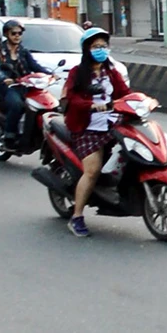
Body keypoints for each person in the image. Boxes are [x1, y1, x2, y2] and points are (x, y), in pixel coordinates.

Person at [62, 28, 131, 238]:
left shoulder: (111, 71)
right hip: (87, 127)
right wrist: (90, 105)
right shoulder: (78, 72)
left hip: (112, 123)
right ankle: (77, 217)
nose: (100, 50)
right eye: (95, 47)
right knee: (92, 171)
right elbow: (71, 98)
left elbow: (125, 93)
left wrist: (139, 101)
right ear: (87, 49)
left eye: (103, 46)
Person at [0, 19, 51, 148]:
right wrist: (5, 78)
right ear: (6, 34)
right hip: (7, 87)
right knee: (17, 105)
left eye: (19, 33)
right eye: (13, 33)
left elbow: (35, 66)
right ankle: (10, 136)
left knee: (43, 103)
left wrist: (50, 74)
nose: (17, 36)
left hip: (25, 85)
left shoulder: (23, 51)